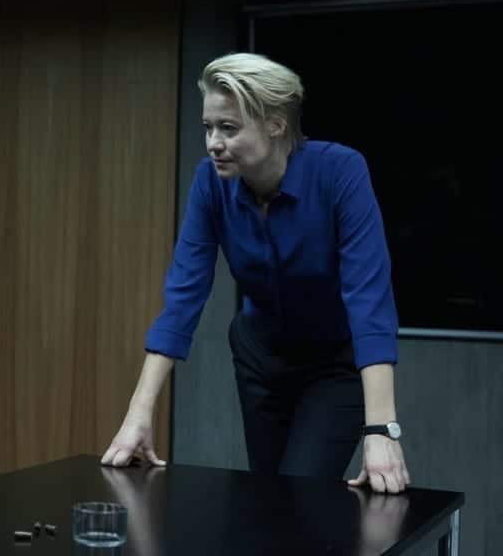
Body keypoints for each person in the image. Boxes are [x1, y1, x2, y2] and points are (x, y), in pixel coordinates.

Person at [100, 52, 411, 494]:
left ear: (275, 125)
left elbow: (369, 299)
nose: (213, 143)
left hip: (332, 365)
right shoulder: (210, 182)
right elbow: (183, 297)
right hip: (260, 357)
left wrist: (381, 429)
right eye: (208, 127)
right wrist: (138, 413)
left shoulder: (340, 171)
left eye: (229, 128)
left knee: (300, 496)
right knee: (267, 497)